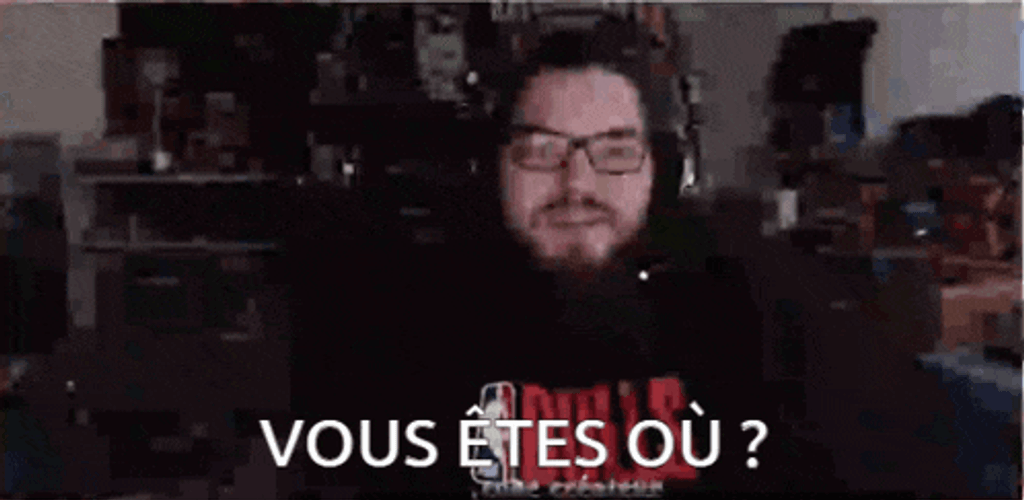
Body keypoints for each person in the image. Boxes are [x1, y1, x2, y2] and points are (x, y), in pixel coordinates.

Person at [280, 23, 838, 499]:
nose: (577, 185)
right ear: (495, 169)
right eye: (542, 152)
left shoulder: (751, 319)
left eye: (615, 152)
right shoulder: (400, 335)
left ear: (660, 173)